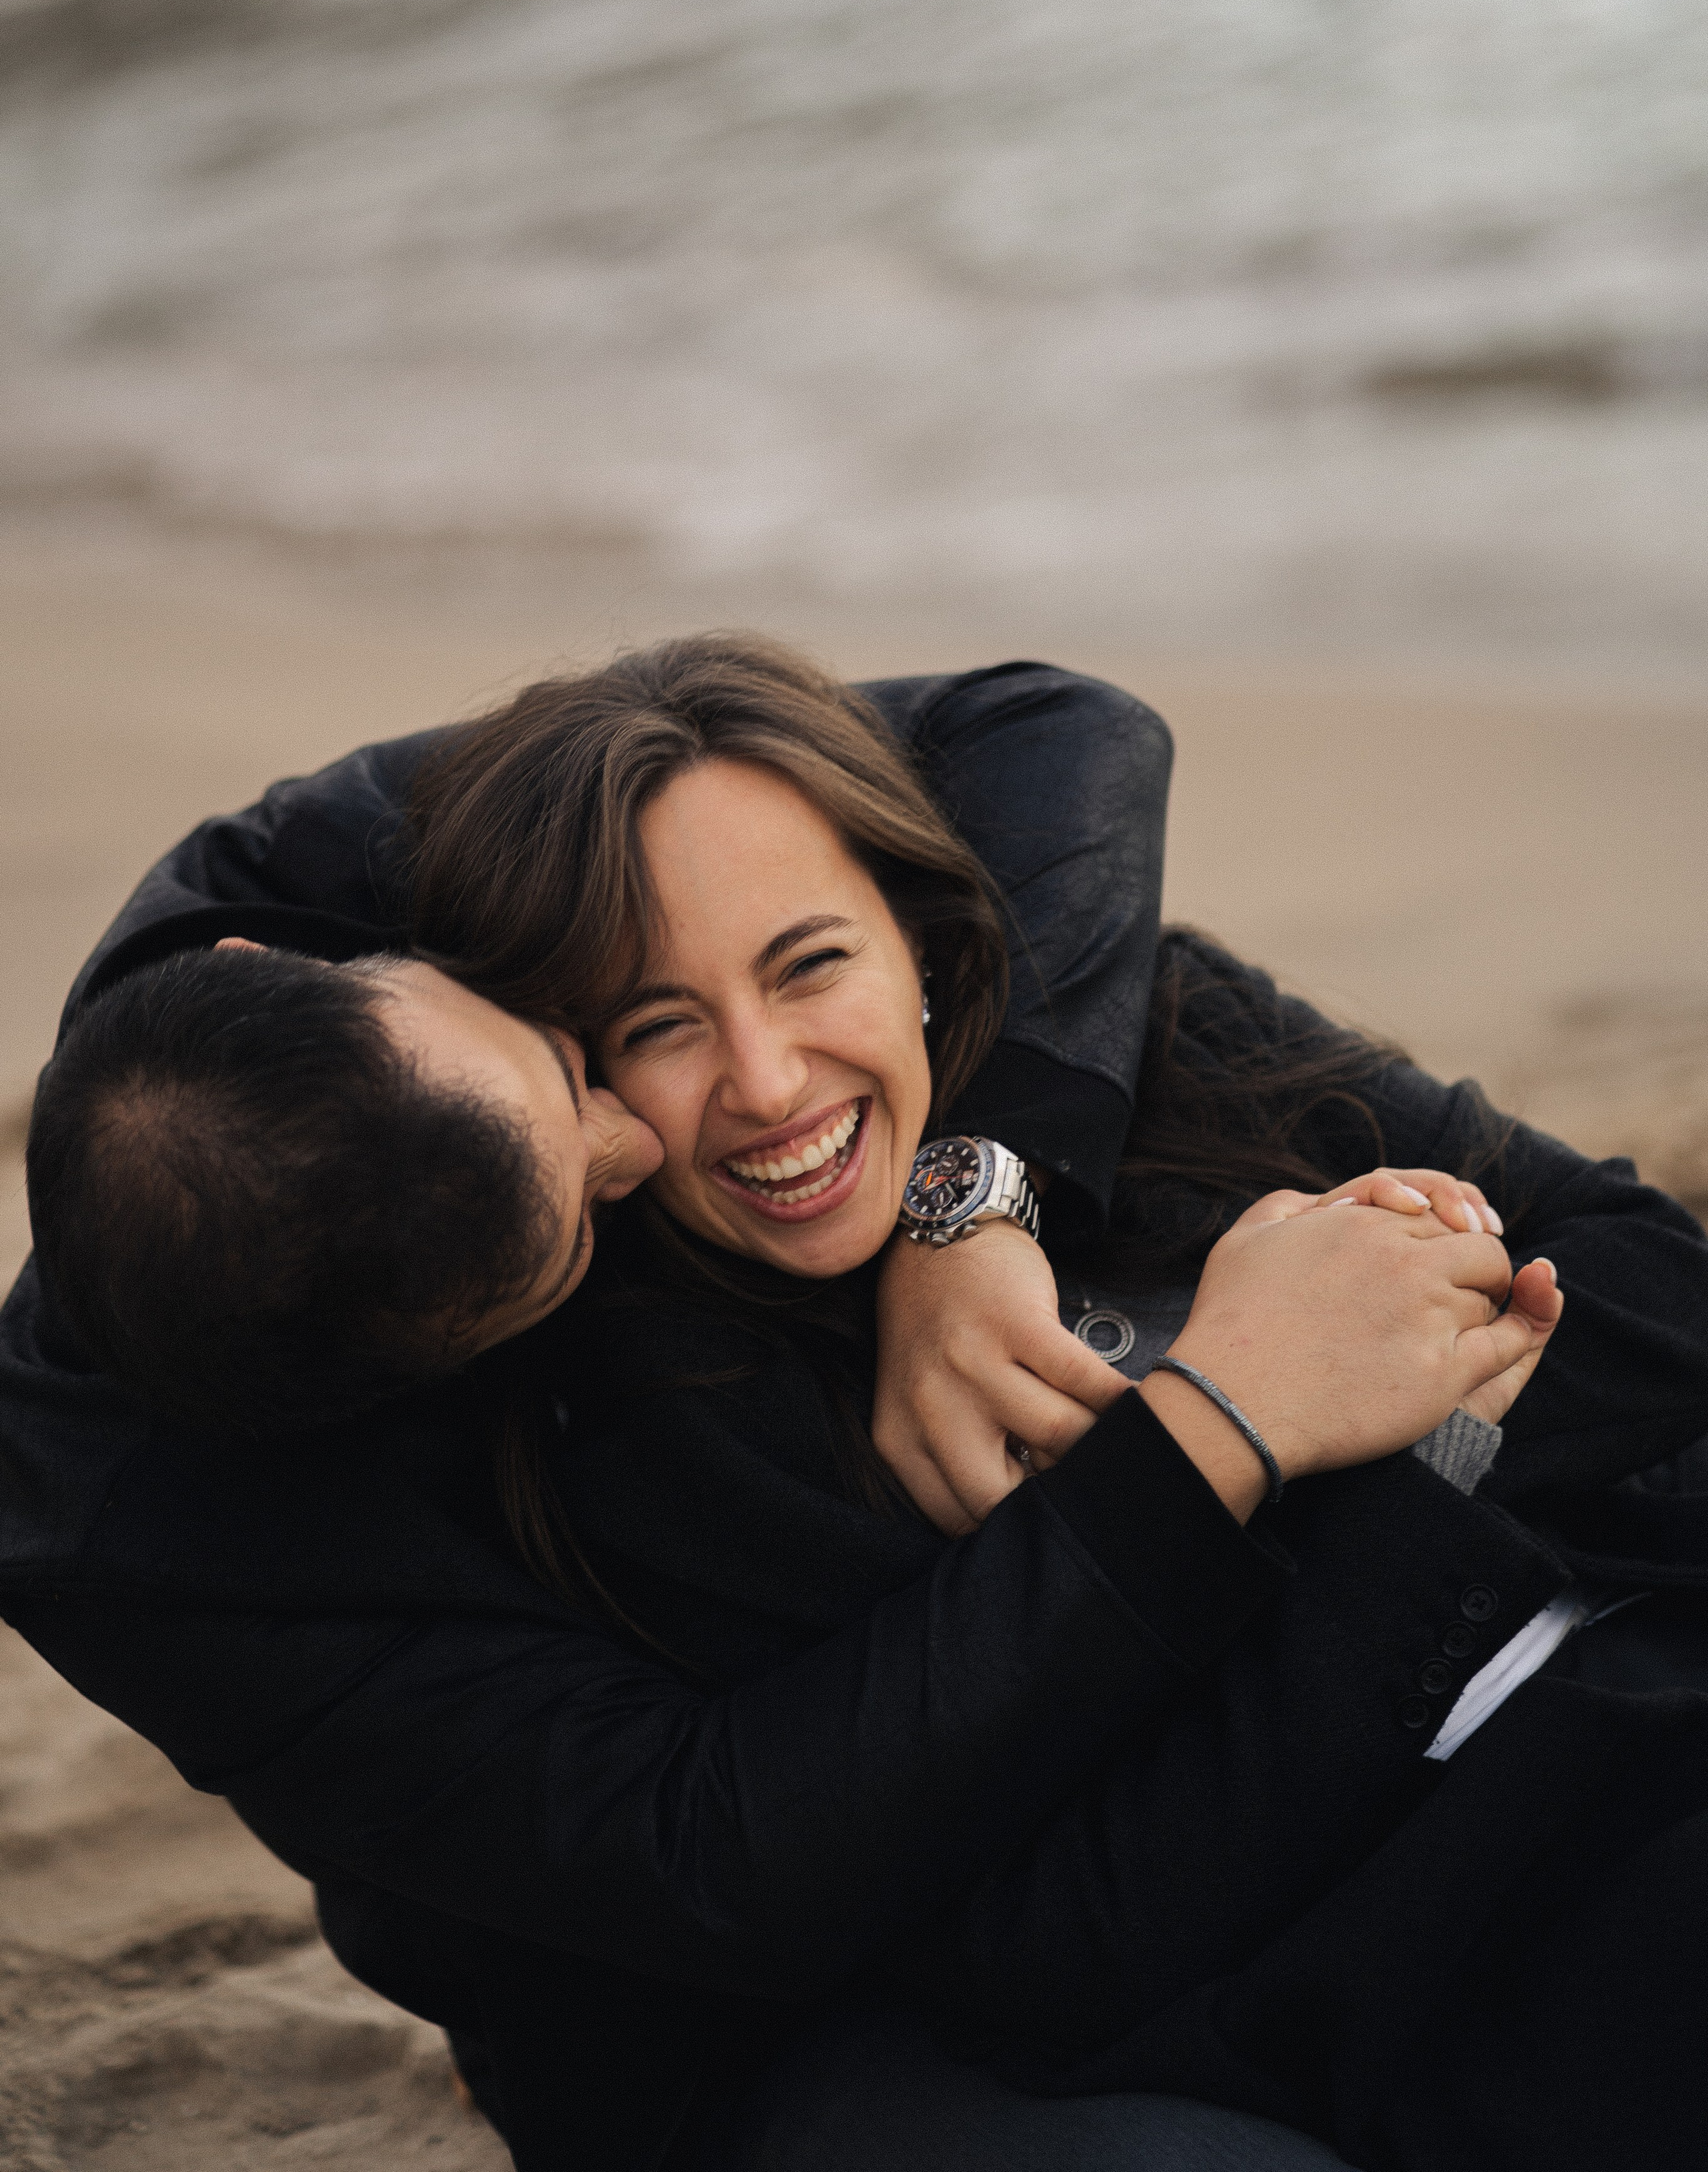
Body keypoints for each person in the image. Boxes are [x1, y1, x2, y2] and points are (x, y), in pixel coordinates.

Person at [14, 645, 1708, 2167]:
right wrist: (1255, 1413)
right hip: (739, 1993)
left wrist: (975, 1198)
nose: (641, 1131)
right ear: (455, 1369)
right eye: (639, 1035)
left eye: (561, 1069)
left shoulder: (306, 895)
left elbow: (1044, 726)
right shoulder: (227, 1522)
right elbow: (778, 1861)